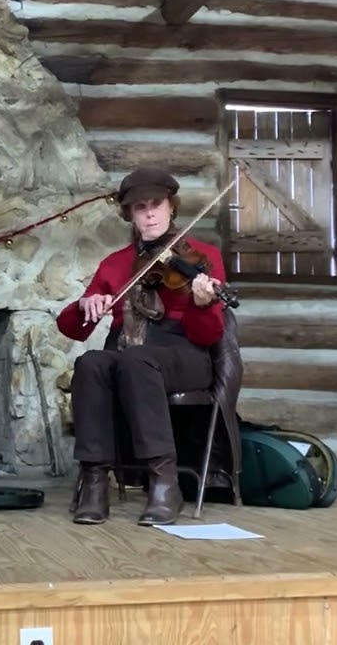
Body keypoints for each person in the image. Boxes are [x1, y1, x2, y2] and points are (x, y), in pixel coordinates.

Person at [55, 166, 227, 527]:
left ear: (171, 207)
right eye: (139, 207)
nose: (149, 214)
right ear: (129, 214)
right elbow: (72, 329)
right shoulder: (115, 264)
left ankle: (164, 482)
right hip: (129, 353)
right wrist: (85, 305)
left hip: (184, 353)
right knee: (90, 363)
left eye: (156, 204)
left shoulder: (201, 256)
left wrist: (202, 304)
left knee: (136, 360)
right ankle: (95, 480)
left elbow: (208, 336)